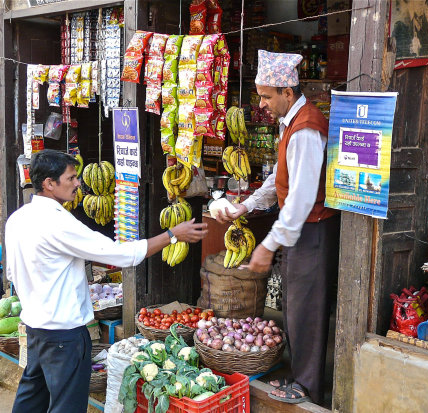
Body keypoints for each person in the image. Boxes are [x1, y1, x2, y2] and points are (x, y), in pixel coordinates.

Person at [5, 150, 208, 413]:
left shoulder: (17, 219)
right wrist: (172, 234)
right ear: (49, 183)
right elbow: (122, 254)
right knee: (66, 405)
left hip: (35, 330)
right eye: (71, 177)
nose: (78, 183)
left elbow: (11, 274)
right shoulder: (58, 222)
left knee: (31, 400)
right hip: (64, 336)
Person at [216, 50, 340, 405]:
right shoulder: (292, 124)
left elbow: (300, 198)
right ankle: (302, 378)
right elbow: (277, 178)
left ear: (288, 92)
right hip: (303, 230)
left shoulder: (305, 128)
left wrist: (270, 244)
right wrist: (247, 204)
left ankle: (309, 388)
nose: (264, 104)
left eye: (268, 96)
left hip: (313, 229)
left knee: (308, 309)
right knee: (297, 306)